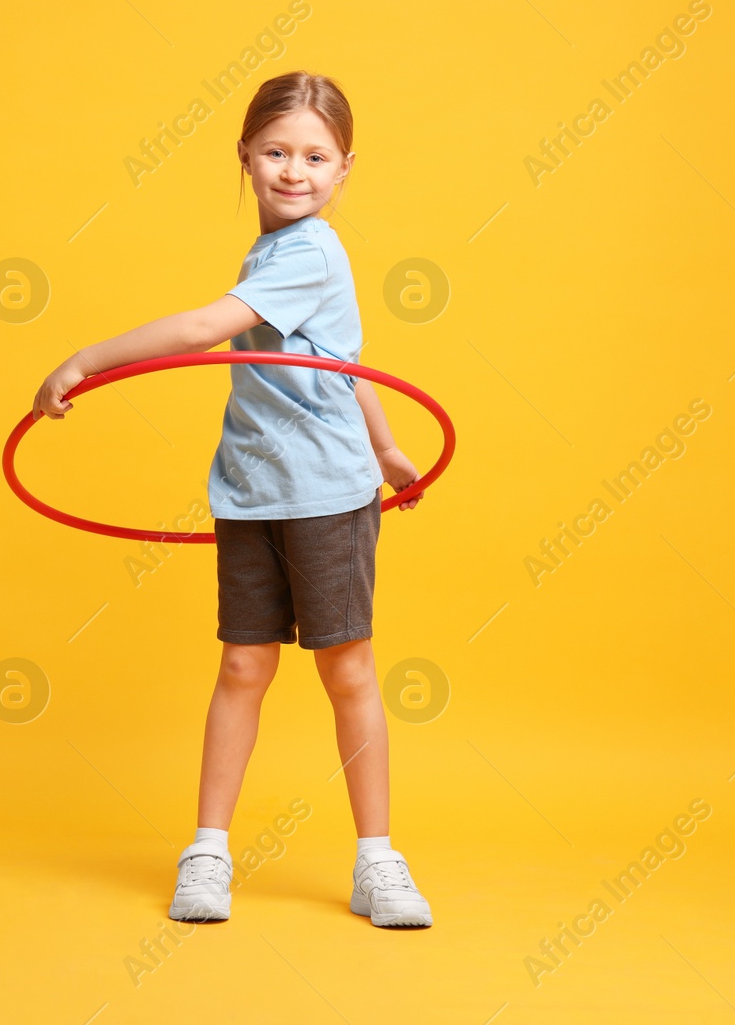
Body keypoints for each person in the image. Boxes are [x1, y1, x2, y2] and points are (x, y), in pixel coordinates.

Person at [31, 71, 432, 928]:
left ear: (345, 168)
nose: (296, 171)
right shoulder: (272, 253)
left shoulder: (311, 250)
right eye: (279, 152)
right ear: (246, 155)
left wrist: (86, 359)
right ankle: (208, 850)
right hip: (252, 488)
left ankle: (377, 860)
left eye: (316, 157)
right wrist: (392, 443)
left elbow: (202, 331)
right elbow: (345, 358)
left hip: (325, 490)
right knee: (244, 664)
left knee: (346, 667)